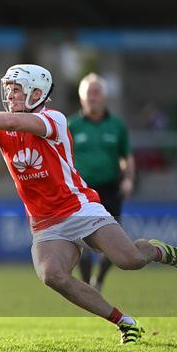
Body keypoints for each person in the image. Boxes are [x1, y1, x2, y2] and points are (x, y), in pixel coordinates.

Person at [0, 64, 177, 344]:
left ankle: (158, 251)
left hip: (79, 210)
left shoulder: (53, 119)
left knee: (129, 260)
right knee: (52, 275)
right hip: (45, 224)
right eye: (8, 89)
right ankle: (124, 322)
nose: (9, 96)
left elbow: (13, 123)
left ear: (36, 92)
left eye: (16, 90)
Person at [68, 73, 135, 291]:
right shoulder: (71, 125)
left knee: (114, 243)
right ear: (81, 98)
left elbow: (127, 157)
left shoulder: (117, 126)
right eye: (89, 93)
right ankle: (87, 287)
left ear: (104, 97)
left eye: (97, 93)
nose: (93, 98)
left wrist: (128, 179)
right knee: (84, 242)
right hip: (82, 192)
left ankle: (99, 281)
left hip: (110, 189)